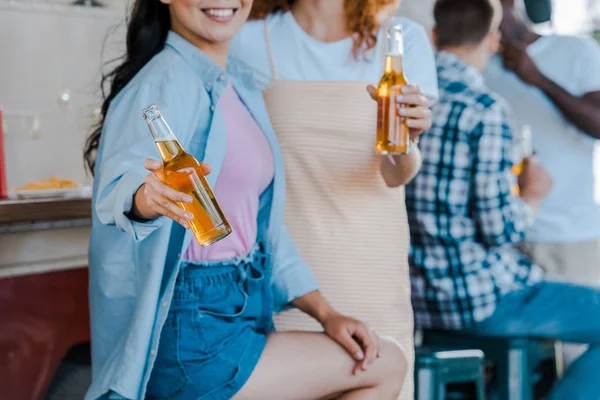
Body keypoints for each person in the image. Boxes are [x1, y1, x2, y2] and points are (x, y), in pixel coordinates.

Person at [83, 0, 409, 399]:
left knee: (377, 359)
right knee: (385, 364)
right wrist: (146, 198)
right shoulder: (161, 83)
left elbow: (258, 227)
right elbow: (123, 186)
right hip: (194, 329)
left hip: (238, 308)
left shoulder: (236, 81)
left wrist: (326, 312)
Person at [232, 1, 438, 398]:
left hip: (372, 276)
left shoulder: (400, 41)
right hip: (289, 281)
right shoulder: (249, 38)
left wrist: (406, 142)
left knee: (380, 371)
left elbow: (396, 173)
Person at [407, 0, 600, 398]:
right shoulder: (485, 108)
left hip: (420, 299)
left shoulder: (407, 100)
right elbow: (499, 229)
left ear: (433, 36)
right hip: (477, 300)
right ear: (492, 41)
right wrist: (531, 195)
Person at [485, 0, 600, 367]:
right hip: (504, 241)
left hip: (569, 238)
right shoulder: (476, 62)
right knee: (517, 367)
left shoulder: (575, 51)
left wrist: (538, 79)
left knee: (576, 358)